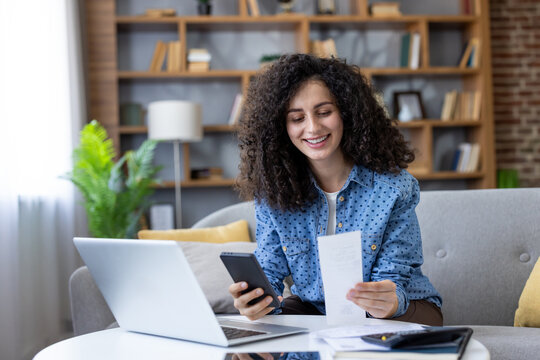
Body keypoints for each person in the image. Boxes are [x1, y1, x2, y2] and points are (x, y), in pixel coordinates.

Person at [229, 53, 443, 326]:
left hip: (401, 308)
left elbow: (395, 275)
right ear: (281, 128)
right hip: (318, 311)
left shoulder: (393, 187)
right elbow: (268, 269)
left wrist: (387, 301)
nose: (313, 128)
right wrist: (255, 301)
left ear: (346, 113)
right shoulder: (274, 194)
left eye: (324, 112)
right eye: (297, 118)